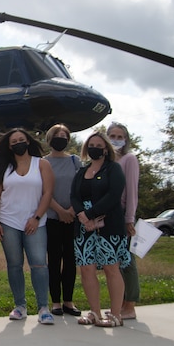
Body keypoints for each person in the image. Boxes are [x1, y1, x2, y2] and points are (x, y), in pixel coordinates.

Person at [0, 128, 55, 325]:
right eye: (14, 141)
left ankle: (43, 307)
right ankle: (20, 306)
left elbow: (47, 194)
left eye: (21, 139)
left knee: (39, 263)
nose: (18, 143)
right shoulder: (2, 168)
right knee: (14, 265)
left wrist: (36, 217)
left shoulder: (41, 164)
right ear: (9, 145)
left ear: (28, 141)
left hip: (36, 222)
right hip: (9, 222)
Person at [70, 132, 130, 327]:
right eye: (91, 145)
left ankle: (115, 314)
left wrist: (91, 213)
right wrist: (81, 214)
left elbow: (114, 195)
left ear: (106, 149)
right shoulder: (81, 171)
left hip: (109, 226)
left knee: (111, 268)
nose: (94, 148)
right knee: (86, 269)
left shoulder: (114, 169)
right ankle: (94, 312)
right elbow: (74, 196)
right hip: (83, 227)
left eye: (98, 145)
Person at [44, 124, 82, 317]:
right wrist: (59, 210)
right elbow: (43, 191)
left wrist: (71, 211)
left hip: (72, 218)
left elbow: (81, 189)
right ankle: (56, 302)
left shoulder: (76, 161)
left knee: (70, 260)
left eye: (64, 136)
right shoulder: (43, 162)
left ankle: (69, 301)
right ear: (50, 139)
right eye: (57, 136)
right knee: (54, 260)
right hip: (51, 218)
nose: (61, 138)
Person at [108, 122, 140, 320]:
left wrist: (129, 219)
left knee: (127, 260)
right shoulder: (109, 161)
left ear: (126, 140)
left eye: (120, 136)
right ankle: (119, 304)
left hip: (122, 215)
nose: (116, 139)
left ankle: (130, 304)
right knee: (115, 262)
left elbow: (132, 191)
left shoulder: (129, 159)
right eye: (112, 135)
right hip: (108, 216)